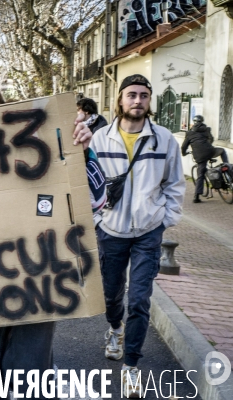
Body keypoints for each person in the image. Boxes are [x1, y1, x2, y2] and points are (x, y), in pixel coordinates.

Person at [0, 69, 97, 400]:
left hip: (38, 280)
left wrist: (82, 150)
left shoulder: (39, 137)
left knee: (26, 375)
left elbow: (97, 197)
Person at [89, 74, 185, 398]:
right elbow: (87, 182)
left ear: (149, 100)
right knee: (111, 295)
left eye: (144, 95)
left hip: (148, 231)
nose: (137, 101)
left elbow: (175, 184)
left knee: (140, 300)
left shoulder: (165, 140)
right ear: (119, 99)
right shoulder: (99, 139)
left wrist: (165, 219)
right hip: (111, 230)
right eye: (131, 94)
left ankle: (131, 365)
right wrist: (96, 218)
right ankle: (115, 329)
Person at [181, 115, 230, 203]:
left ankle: (196, 197)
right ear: (202, 121)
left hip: (200, 156)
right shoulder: (206, 129)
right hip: (210, 151)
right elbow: (211, 139)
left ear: (194, 122)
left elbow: (184, 146)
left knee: (200, 175)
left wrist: (184, 153)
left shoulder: (189, 133)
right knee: (222, 151)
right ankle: (227, 167)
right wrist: (207, 145)